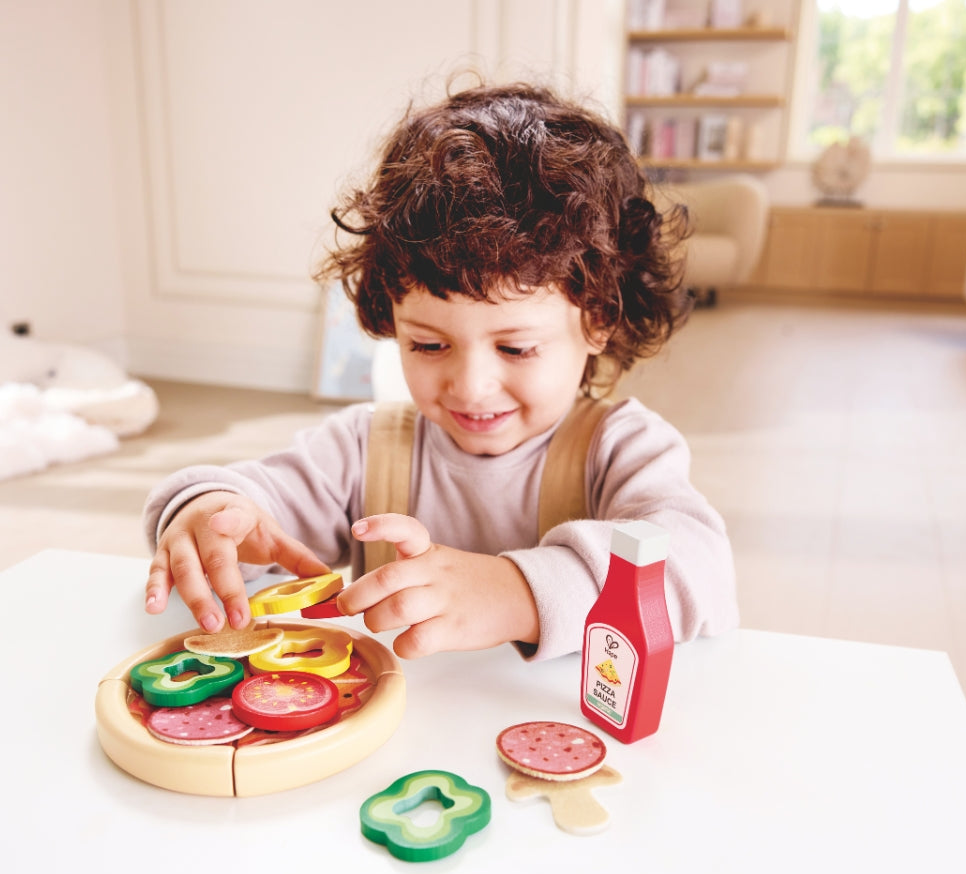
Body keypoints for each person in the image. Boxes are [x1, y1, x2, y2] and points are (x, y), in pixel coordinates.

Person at [143, 81, 739, 661]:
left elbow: (699, 568)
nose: (470, 386)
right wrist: (207, 512)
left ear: (600, 320)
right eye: (428, 345)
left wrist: (517, 592)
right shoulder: (365, 448)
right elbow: (255, 504)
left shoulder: (620, 448)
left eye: (516, 349)